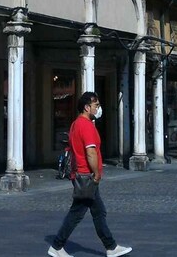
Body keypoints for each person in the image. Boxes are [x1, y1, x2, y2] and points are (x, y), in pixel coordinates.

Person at [47, 92, 132, 257]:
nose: (98, 109)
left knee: (97, 212)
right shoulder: (85, 126)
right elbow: (91, 152)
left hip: (80, 174)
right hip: (86, 176)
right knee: (78, 213)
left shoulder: (75, 124)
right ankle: (58, 246)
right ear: (87, 107)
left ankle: (111, 246)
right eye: (96, 105)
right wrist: (97, 173)